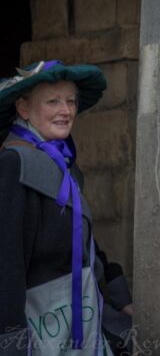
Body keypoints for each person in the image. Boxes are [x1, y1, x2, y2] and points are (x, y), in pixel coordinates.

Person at [0, 60, 119, 354]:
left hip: (80, 313)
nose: (65, 111)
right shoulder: (13, 164)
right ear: (23, 108)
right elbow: (6, 264)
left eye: (70, 101)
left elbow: (80, 235)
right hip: (39, 323)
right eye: (52, 101)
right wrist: (12, 344)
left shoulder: (62, 163)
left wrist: (119, 293)